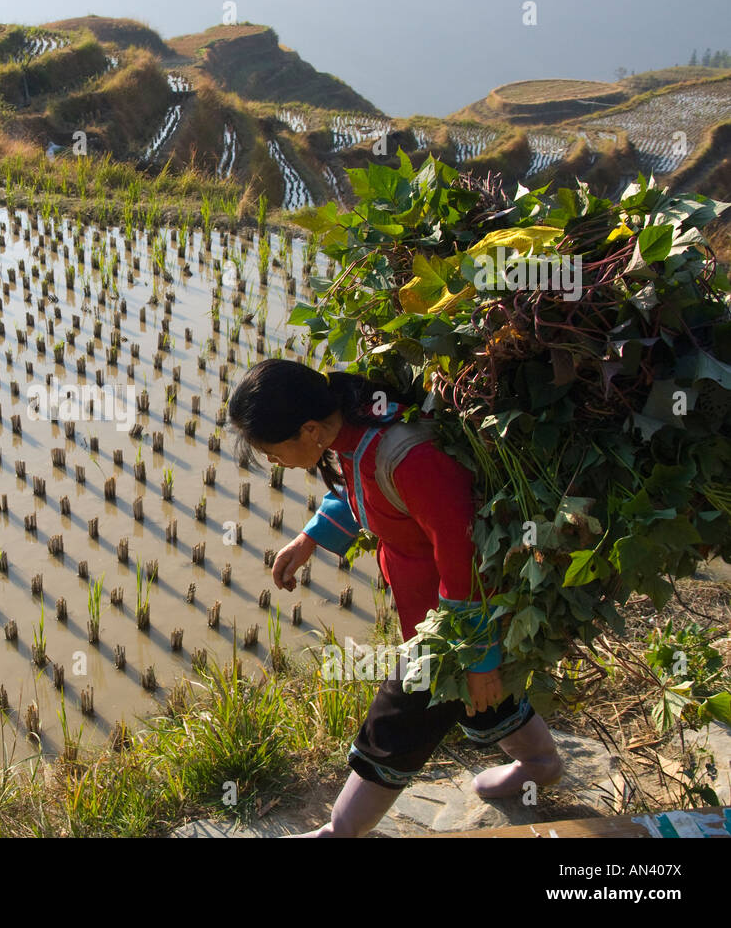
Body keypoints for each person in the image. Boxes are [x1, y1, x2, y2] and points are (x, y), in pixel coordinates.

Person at [227, 358, 563, 837]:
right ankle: (541, 762)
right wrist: (311, 539)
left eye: (273, 452)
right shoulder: (352, 428)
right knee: (481, 695)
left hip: (459, 619)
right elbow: (361, 489)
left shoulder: (410, 458)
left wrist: (478, 654)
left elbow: (465, 555)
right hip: (428, 604)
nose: (274, 462)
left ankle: (339, 832)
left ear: (309, 430)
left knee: (398, 722)